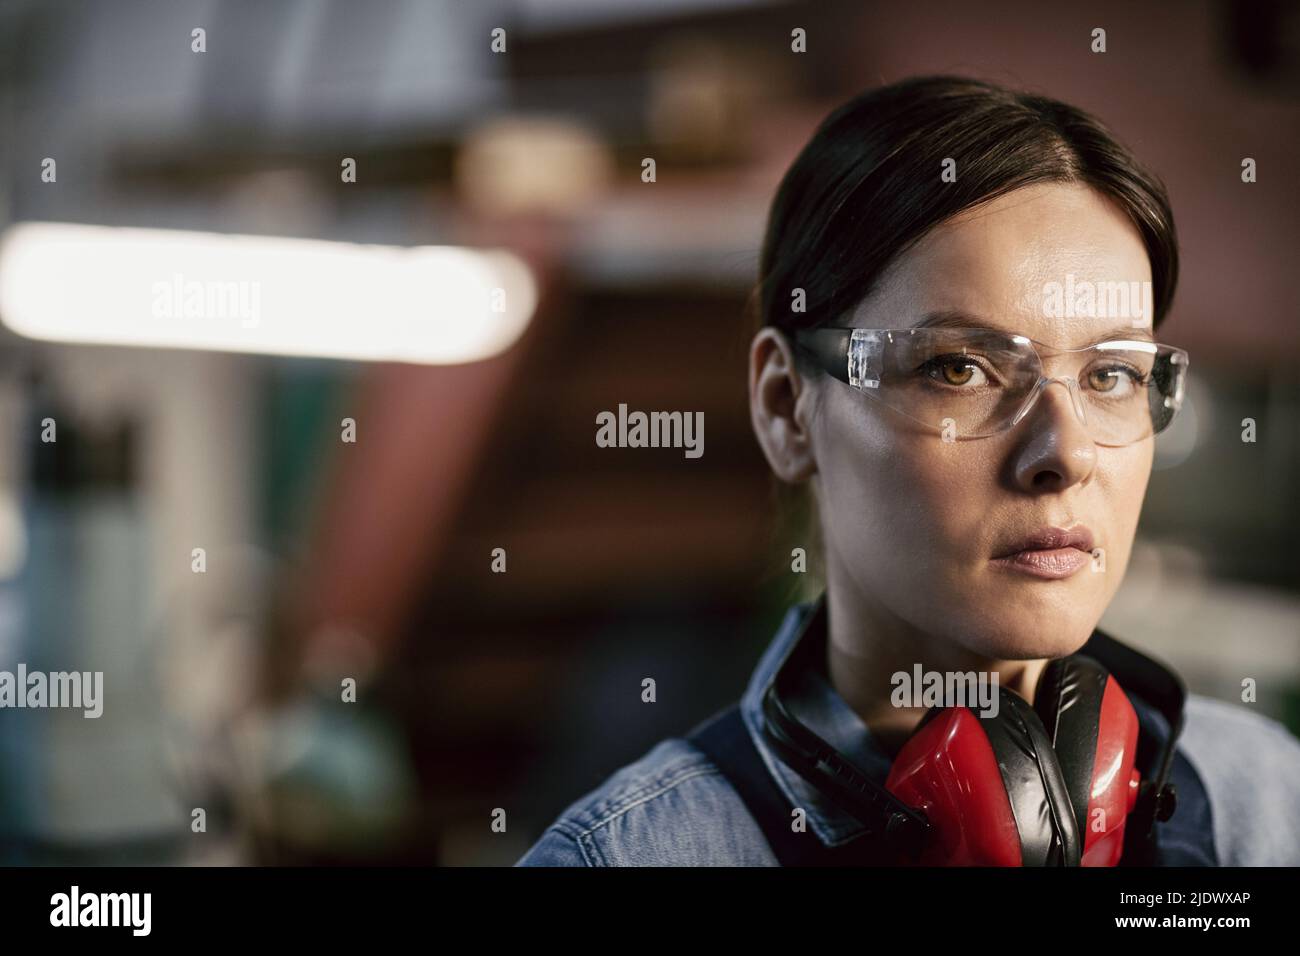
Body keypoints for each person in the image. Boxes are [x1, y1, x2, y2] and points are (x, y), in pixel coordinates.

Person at [515, 75, 1300, 867]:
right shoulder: (624, 859)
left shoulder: (1265, 804)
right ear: (787, 406)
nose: (1066, 454)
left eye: (1112, 376)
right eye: (959, 368)